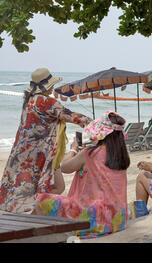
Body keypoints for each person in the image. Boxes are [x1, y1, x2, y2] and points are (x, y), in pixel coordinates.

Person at [0, 68, 91, 213]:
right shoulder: (45, 101)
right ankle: (38, 215)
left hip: (23, 153)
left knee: (32, 189)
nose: (52, 87)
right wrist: (93, 123)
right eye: (51, 84)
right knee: (51, 188)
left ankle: (36, 213)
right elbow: (69, 115)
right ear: (46, 85)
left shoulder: (29, 100)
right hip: (40, 155)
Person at [34, 111, 130, 239]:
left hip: (95, 219)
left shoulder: (90, 153)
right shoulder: (121, 156)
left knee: (40, 199)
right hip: (116, 219)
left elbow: (65, 167)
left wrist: (73, 149)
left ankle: (29, 235)